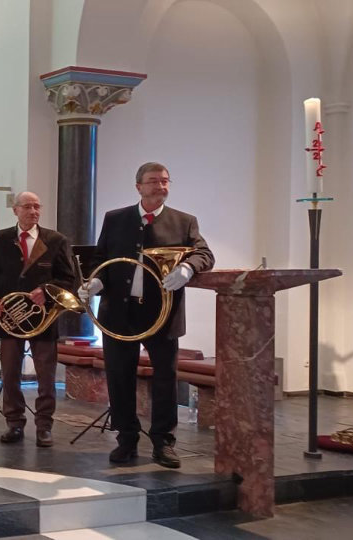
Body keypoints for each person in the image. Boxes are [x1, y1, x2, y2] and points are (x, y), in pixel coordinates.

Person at [78, 162, 214, 468]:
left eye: (165, 181)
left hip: (162, 313)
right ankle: (126, 440)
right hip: (119, 313)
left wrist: (188, 267)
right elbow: (101, 259)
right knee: (119, 376)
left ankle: (164, 442)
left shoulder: (184, 221)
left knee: (166, 378)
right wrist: (96, 282)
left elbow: (205, 253)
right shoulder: (116, 219)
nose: (160, 186)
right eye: (153, 181)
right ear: (138, 186)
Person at [0, 192, 76, 448]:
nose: (33, 211)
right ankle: (14, 423)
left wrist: (45, 290)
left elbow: (68, 279)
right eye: (27, 207)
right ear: (15, 210)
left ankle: (44, 426)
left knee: (46, 375)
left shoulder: (56, 240)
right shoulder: (1, 239)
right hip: (9, 318)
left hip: (43, 318)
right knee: (10, 372)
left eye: (37, 206)